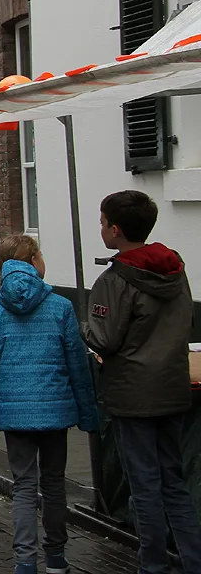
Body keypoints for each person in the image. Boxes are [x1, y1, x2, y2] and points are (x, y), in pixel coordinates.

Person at [85, 190, 201, 574]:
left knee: (145, 484)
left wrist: (86, 328)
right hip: (171, 387)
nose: (100, 228)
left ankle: (152, 565)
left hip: (133, 394)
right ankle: (192, 559)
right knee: (174, 481)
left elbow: (105, 338)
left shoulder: (115, 280)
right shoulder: (176, 271)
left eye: (102, 222)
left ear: (115, 230)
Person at [0, 234, 99, 574]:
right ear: (32, 261)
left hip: (14, 418)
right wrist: (89, 414)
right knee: (54, 485)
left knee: (25, 488)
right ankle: (57, 559)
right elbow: (77, 365)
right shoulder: (60, 306)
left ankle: (25, 562)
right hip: (55, 414)